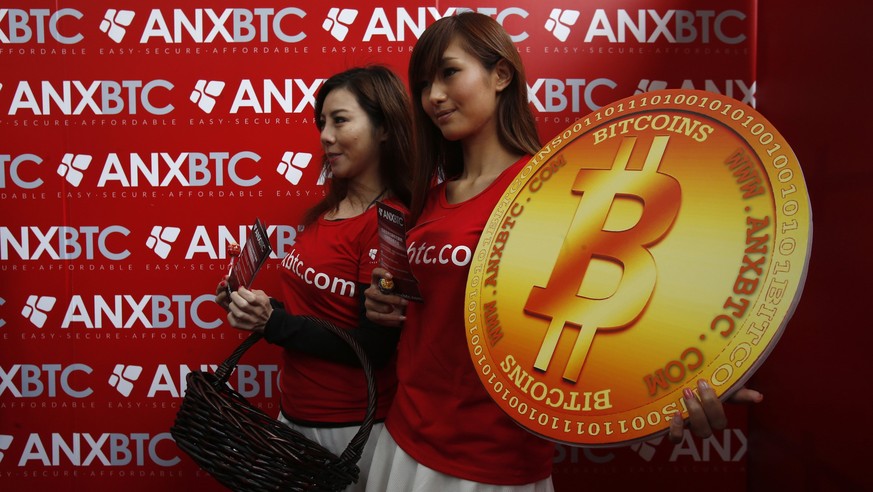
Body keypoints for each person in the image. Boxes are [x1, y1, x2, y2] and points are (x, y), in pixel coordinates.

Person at [363, 12, 763, 492]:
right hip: (404, 437)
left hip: (490, 461)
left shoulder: (556, 189)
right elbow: (436, 314)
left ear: (501, 74)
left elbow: (625, 294)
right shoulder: (429, 199)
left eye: (449, 72)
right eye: (423, 83)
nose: (433, 96)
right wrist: (387, 306)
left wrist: (693, 377)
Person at [214, 65, 414, 491]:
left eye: (340, 120)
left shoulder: (387, 224)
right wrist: (253, 308)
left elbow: (374, 345)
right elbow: (316, 313)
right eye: (321, 122)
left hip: (351, 432)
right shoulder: (326, 214)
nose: (325, 135)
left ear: (383, 128)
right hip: (294, 419)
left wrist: (274, 323)